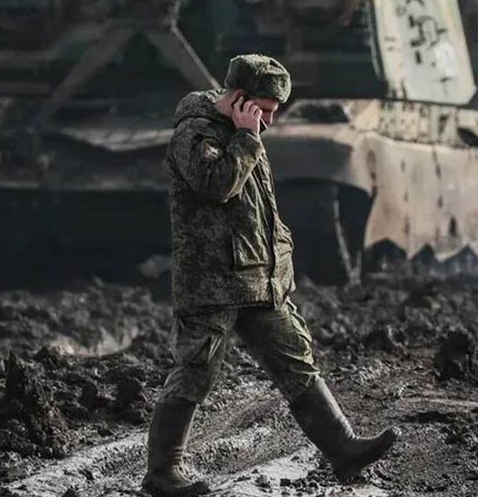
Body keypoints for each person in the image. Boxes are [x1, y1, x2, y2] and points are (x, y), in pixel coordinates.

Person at [142, 54, 398, 497]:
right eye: (264, 109)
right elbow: (217, 185)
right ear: (240, 99)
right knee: (197, 370)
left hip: (258, 279)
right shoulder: (196, 133)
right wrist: (245, 137)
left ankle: (342, 448)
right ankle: (162, 473)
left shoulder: (245, 131)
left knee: (294, 359)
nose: (270, 120)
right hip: (213, 283)